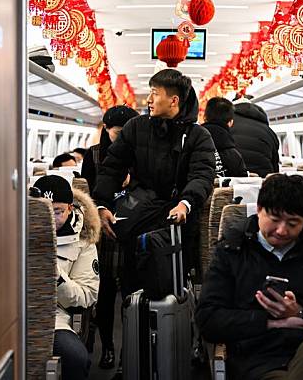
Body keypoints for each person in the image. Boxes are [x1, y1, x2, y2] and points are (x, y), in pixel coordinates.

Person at [93, 68, 216, 293]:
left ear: (174, 100)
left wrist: (186, 203)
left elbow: (202, 175)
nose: (148, 100)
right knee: (133, 285)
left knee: (171, 286)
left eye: (154, 93)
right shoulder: (136, 127)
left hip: (176, 221)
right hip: (139, 214)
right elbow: (112, 168)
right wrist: (101, 205)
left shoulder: (198, 136)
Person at [196, 174, 303, 380]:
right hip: (257, 359)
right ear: (259, 209)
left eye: (293, 223)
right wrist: (270, 322)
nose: (281, 230)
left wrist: (301, 312)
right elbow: (208, 319)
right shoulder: (232, 251)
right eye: (275, 220)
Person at [80, 105, 139, 369]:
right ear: (106, 130)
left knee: (131, 293)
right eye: (118, 132)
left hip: (131, 229)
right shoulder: (93, 157)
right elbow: (84, 196)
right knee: (103, 294)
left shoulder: (141, 155)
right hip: (101, 232)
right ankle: (108, 348)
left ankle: (130, 354)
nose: (124, 137)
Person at [31, 175, 101, 380]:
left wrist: (56, 277)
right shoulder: (13, 231)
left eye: (57, 212)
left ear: (70, 208)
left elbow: (87, 295)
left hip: (53, 318)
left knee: (76, 358)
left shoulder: (83, 241)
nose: (50, 219)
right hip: (8, 313)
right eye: (43, 213)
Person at [231, 98, 280, 178]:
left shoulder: (225, 126)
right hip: (262, 182)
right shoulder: (269, 131)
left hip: (232, 181)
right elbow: (275, 165)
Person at [202, 97, 248, 177]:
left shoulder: (187, 140)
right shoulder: (233, 154)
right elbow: (242, 181)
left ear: (205, 117)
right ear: (230, 122)